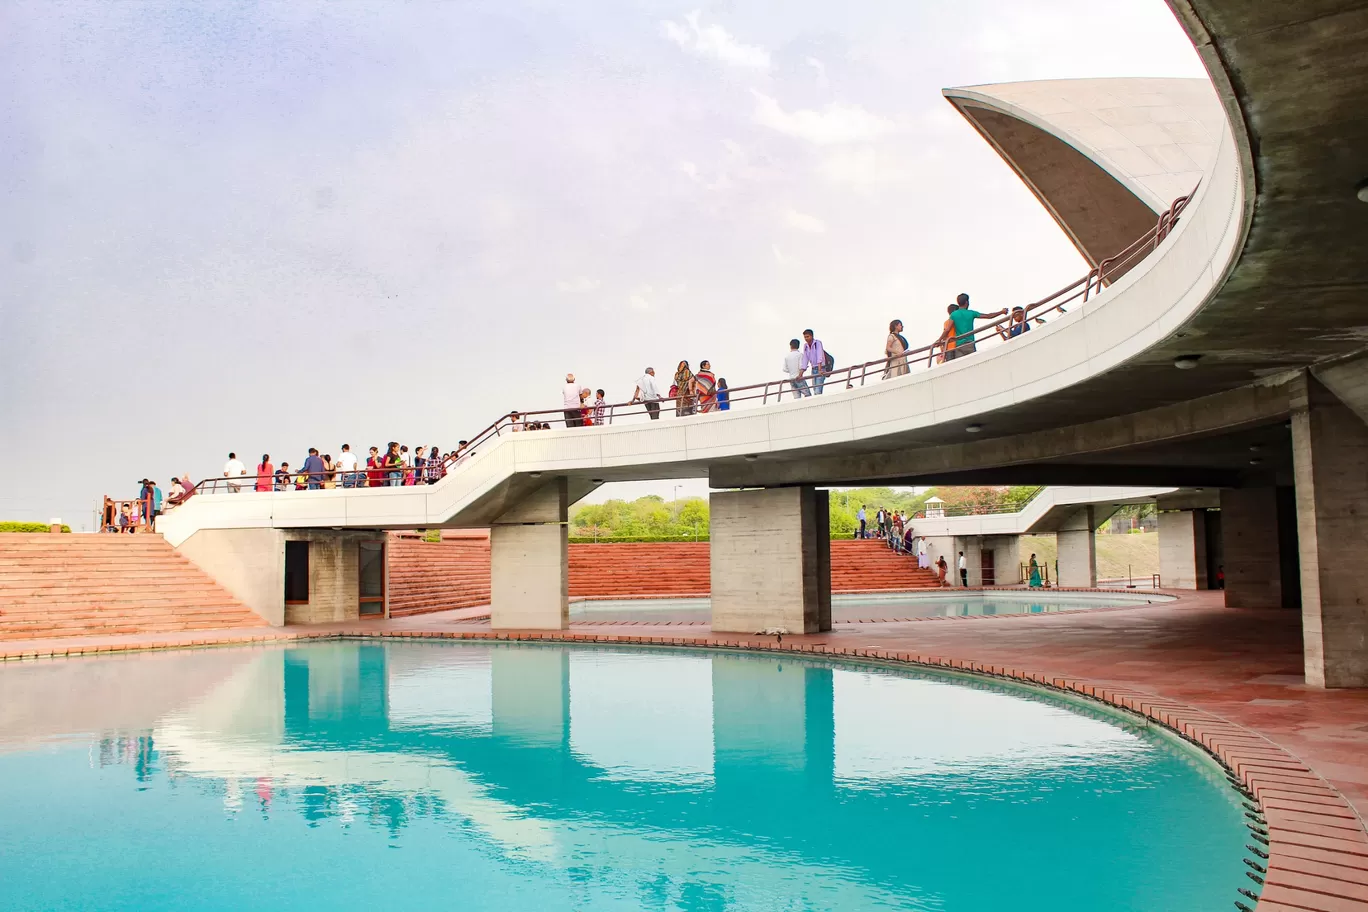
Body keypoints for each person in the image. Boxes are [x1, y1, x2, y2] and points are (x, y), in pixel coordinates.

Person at [946, 293, 1007, 358]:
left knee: (960, 364)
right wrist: (1001, 312)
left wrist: (939, 340)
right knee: (972, 361)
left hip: (959, 345)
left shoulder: (954, 314)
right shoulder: (971, 313)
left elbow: (947, 329)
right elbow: (989, 316)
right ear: (967, 302)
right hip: (969, 343)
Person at [800, 329, 829, 395]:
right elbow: (805, 359)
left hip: (821, 368)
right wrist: (801, 373)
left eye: (807, 336)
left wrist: (820, 369)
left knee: (818, 390)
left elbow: (819, 355)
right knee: (814, 388)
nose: (806, 338)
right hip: (813, 369)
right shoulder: (805, 346)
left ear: (812, 336)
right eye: (805, 337)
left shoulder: (817, 343)